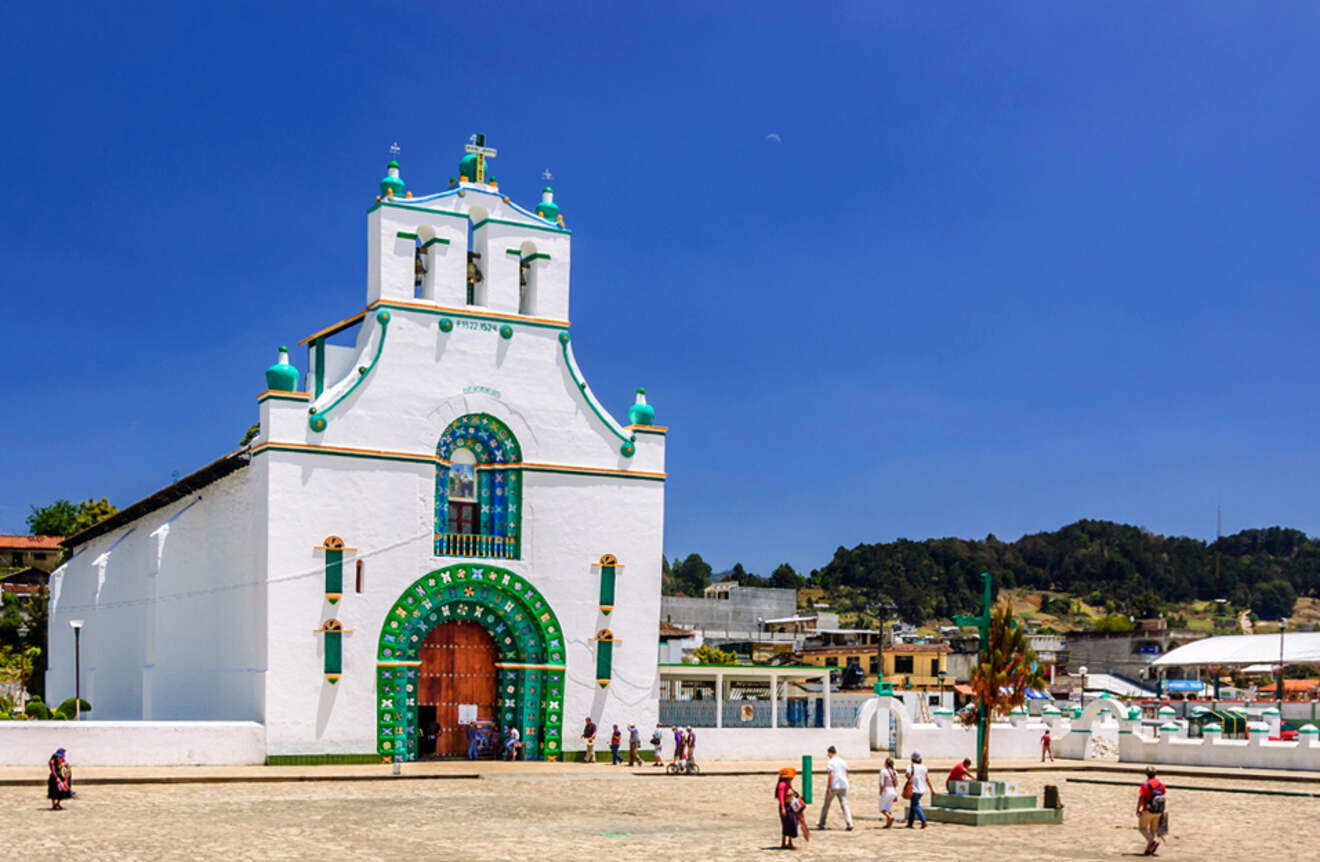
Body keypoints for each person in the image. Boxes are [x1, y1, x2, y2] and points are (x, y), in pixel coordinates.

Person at [815, 745, 854, 831]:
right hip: (843, 785)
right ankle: (849, 822)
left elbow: (831, 774)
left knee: (826, 804)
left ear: (830, 753)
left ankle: (822, 822)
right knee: (844, 805)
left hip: (834, 785)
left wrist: (828, 786)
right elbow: (846, 772)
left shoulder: (831, 762)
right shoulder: (843, 761)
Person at [1137, 766, 1168, 856]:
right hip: (1158, 810)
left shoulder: (1145, 784)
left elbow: (1142, 797)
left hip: (1148, 809)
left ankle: (1153, 841)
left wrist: (1138, 808)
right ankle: (1148, 850)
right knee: (1152, 831)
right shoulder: (1161, 784)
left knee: (1142, 828)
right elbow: (1163, 795)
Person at [775, 767, 799, 850]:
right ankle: (783, 842)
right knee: (786, 824)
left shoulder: (788, 784)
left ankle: (789, 842)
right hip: (785, 806)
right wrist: (783, 808)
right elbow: (781, 797)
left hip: (791, 806)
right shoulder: (782, 785)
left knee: (791, 823)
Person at [905, 751, 929, 829]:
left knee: (915, 806)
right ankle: (910, 823)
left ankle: (924, 821)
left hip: (914, 789)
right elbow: (927, 778)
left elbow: (908, 776)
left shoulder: (910, 766)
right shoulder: (924, 767)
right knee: (913, 806)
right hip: (922, 789)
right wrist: (931, 789)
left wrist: (910, 776)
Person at [878, 756, 900, 828]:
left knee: (882, 809)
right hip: (893, 791)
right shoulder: (895, 772)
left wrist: (880, 791)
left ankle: (889, 817)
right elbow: (896, 784)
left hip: (886, 790)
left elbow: (881, 783)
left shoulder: (883, 771)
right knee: (888, 808)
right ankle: (888, 824)